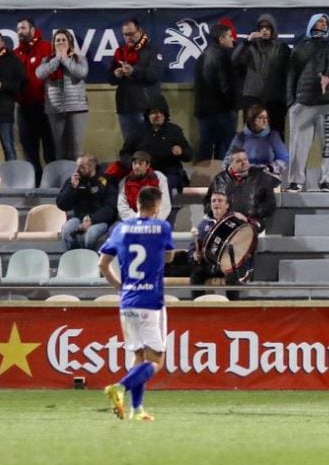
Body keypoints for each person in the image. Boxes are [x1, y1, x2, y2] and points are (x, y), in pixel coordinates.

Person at [99, 186, 175, 421]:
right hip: (151, 301)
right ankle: (120, 387)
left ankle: (137, 409)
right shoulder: (162, 227)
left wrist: (120, 287)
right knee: (156, 361)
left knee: (139, 356)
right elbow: (169, 256)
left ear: (137, 204)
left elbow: (102, 265)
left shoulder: (121, 229)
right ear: (157, 206)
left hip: (127, 302)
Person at [285, 13, 329, 192]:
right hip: (303, 103)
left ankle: (326, 181)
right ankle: (296, 181)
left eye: (326, 22)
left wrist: (328, 78)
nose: (323, 24)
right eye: (319, 21)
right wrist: (291, 102)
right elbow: (291, 75)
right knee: (298, 145)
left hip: (328, 103)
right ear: (311, 24)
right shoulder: (301, 48)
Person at [190, 190, 261, 299]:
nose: (216, 203)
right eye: (213, 201)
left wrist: (247, 220)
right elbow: (193, 247)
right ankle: (197, 308)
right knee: (196, 274)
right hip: (211, 265)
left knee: (232, 277)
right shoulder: (204, 224)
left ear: (227, 205)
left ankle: (233, 309)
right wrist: (194, 255)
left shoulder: (236, 219)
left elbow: (257, 227)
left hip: (233, 265)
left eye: (220, 200)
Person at [232, 13, 291, 138]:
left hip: (275, 100)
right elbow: (234, 61)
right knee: (251, 135)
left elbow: (289, 73)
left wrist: (287, 99)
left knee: (276, 135)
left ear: (273, 29)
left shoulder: (282, 48)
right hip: (252, 99)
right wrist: (246, 42)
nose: (264, 30)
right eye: (261, 27)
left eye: (268, 27)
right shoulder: (250, 47)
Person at [34, 29, 89, 161]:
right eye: (58, 40)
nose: (61, 42)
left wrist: (65, 59)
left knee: (76, 150)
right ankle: (63, 180)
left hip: (77, 109)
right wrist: (56, 60)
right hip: (55, 110)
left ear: (70, 42)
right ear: (53, 43)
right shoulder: (47, 59)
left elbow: (81, 73)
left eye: (64, 40)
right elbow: (40, 74)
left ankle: (76, 179)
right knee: (60, 150)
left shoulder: (79, 58)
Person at [119, 98, 193, 194]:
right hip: (143, 173)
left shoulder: (174, 131)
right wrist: (133, 164)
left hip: (169, 172)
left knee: (160, 186)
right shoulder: (137, 132)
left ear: (165, 115)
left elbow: (189, 154)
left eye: (160, 112)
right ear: (148, 115)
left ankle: (164, 208)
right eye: (154, 112)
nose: (157, 115)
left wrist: (181, 151)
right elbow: (125, 153)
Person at [108, 19, 165, 142]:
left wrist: (134, 71)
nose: (128, 38)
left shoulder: (152, 50)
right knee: (129, 146)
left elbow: (155, 74)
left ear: (140, 32)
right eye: (125, 35)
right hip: (125, 108)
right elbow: (110, 79)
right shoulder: (120, 52)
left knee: (148, 145)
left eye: (131, 34)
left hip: (145, 107)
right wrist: (115, 74)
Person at [14, 18, 55, 183]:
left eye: (23, 28)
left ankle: (52, 182)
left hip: (44, 106)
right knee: (28, 148)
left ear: (32, 30)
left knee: (49, 148)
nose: (19, 32)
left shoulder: (46, 48)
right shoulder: (16, 53)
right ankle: (36, 184)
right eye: (18, 29)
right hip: (23, 107)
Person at [194, 22, 239, 161]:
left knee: (205, 151)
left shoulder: (201, 56)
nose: (233, 39)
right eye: (230, 36)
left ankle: (200, 181)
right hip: (222, 112)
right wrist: (234, 104)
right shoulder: (223, 57)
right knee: (226, 152)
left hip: (204, 113)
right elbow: (226, 87)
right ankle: (223, 182)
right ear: (221, 39)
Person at [205, 147, 277, 230]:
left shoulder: (261, 178)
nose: (244, 163)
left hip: (252, 223)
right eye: (239, 161)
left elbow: (270, 204)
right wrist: (220, 214)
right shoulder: (219, 179)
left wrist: (250, 216)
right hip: (225, 223)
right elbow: (207, 202)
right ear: (230, 163)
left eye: (245, 159)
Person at [57, 153, 118, 250]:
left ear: (91, 167)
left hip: (100, 220)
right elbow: (61, 204)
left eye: (81, 167)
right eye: (76, 166)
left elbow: (111, 208)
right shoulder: (73, 180)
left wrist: (91, 220)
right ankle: (74, 257)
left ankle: (89, 260)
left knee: (90, 235)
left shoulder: (107, 180)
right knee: (66, 231)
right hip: (79, 218)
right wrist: (72, 188)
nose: (77, 170)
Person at [0, 31, 23, 174]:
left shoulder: (12, 59)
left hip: (4, 111)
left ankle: (13, 181)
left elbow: (20, 83)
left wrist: (4, 86)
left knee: (8, 147)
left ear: (2, 43)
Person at [223, 104, 288, 180]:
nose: (264, 121)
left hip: (267, 175)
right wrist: (235, 168)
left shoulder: (273, 136)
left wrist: (270, 168)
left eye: (266, 118)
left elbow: (284, 158)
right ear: (252, 120)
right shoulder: (241, 137)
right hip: (245, 175)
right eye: (260, 118)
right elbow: (228, 159)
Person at [117, 151, 171, 221]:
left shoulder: (159, 177)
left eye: (140, 164)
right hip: (133, 221)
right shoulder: (125, 182)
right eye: (134, 163)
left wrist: (154, 220)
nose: (137, 166)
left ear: (148, 165)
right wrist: (138, 220)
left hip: (156, 219)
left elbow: (165, 203)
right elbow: (122, 207)